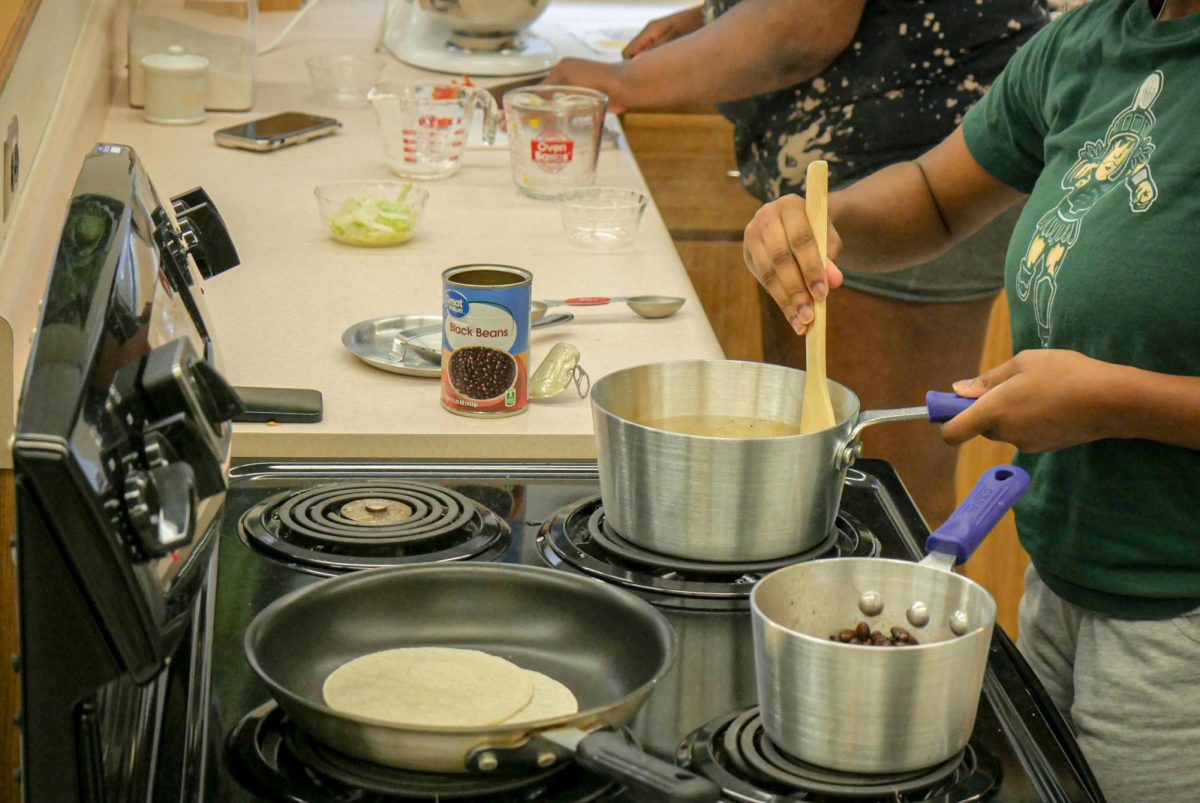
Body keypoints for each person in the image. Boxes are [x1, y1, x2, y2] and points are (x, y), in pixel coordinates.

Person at [742, 1, 1200, 800]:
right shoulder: (1090, 41)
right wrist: (823, 222)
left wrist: (1116, 401)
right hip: (1065, 581)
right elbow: (933, 197)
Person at [546, 1, 1049, 526]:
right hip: (872, 177)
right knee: (815, 480)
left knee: (876, 498)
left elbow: (802, 24)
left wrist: (626, 80)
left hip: (912, 163)